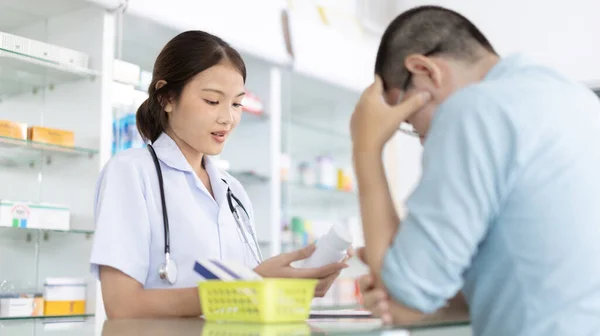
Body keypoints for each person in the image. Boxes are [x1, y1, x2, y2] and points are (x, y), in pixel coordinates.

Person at [350, 5, 600, 336]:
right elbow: (538, 279)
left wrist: (365, 148)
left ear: (424, 70)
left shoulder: (473, 110)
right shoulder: (576, 100)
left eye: (409, 122)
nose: (424, 142)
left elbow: (403, 305)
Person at [90, 30, 347, 319]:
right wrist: (252, 285)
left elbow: (245, 301)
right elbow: (122, 306)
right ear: (166, 97)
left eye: (236, 104)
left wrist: (291, 285)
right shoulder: (131, 173)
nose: (228, 118)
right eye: (213, 101)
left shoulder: (233, 191)